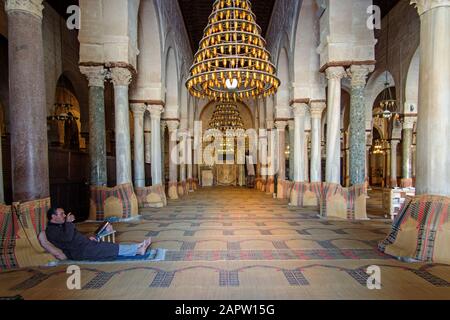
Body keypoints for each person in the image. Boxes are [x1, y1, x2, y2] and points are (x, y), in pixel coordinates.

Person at [45, 207, 152, 261]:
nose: (64, 215)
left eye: (64, 213)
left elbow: (75, 235)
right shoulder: (51, 231)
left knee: (108, 244)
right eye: (61, 214)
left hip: (84, 244)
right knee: (107, 249)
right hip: (78, 251)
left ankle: (137, 247)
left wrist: (88, 238)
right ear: (53, 217)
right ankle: (138, 250)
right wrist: (68, 223)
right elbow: (68, 238)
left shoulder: (62, 225)